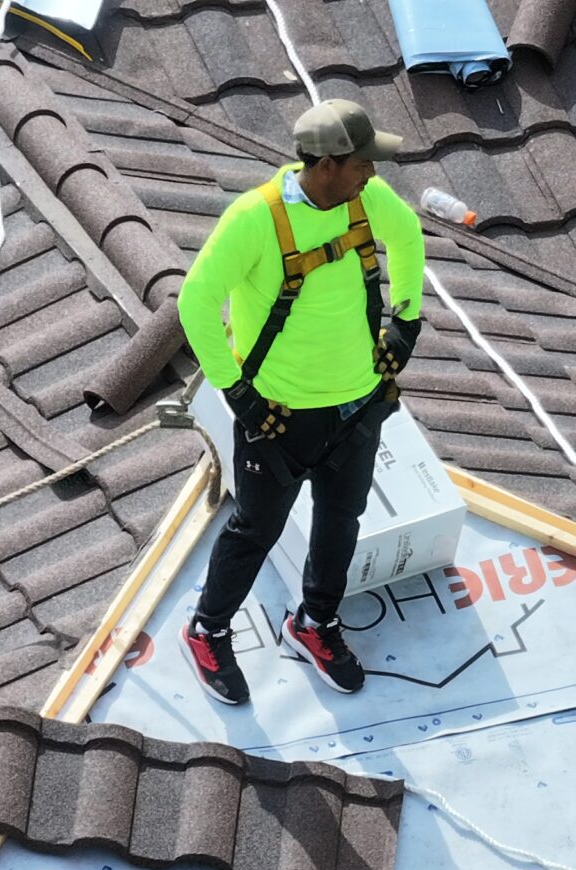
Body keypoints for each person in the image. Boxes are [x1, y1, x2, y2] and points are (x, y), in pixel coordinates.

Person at [175, 99, 426, 706]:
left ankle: (314, 624)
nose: (373, 173)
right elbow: (195, 303)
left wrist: (407, 321)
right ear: (329, 164)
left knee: (341, 522)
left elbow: (410, 235)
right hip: (278, 416)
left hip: (358, 407)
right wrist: (235, 391)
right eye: (364, 162)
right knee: (255, 529)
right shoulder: (255, 220)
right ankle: (206, 631)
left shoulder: (364, 200)